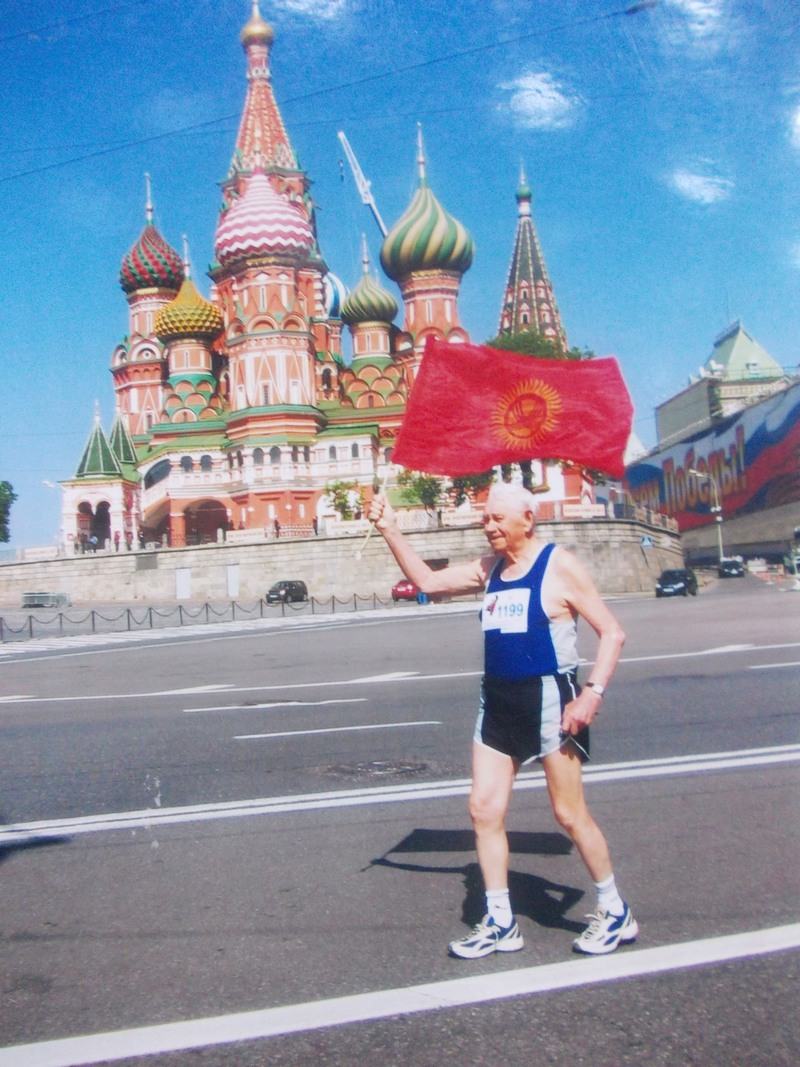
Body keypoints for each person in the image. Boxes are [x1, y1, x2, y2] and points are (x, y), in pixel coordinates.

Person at [366, 482, 637, 959]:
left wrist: (591, 695)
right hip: (497, 704)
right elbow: (428, 583)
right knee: (483, 810)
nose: (487, 525)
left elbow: (612, 633)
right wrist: (389, 528)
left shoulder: (559, 565)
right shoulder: (489, 569)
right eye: (485, 518)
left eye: (496, 518)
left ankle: (614, 909)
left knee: (569, 814)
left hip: (550, 703)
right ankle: (500, 922)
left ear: (527, 520)